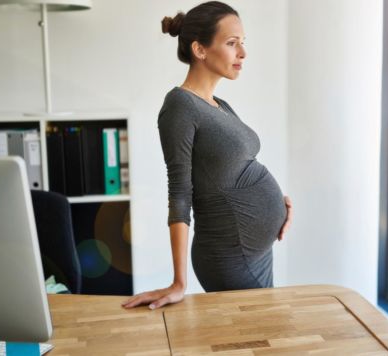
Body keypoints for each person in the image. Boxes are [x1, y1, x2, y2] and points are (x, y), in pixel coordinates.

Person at [122, 1, 292, 310]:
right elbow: (179, 191)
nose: (243, 52)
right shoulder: (179, 106)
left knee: (258, 337)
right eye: (231, 43)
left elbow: (235, 169)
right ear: (200, 50)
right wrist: (178, 282)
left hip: (255, 252)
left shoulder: (219, 105)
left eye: (243, 42)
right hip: (229, 254)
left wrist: (279, 202)